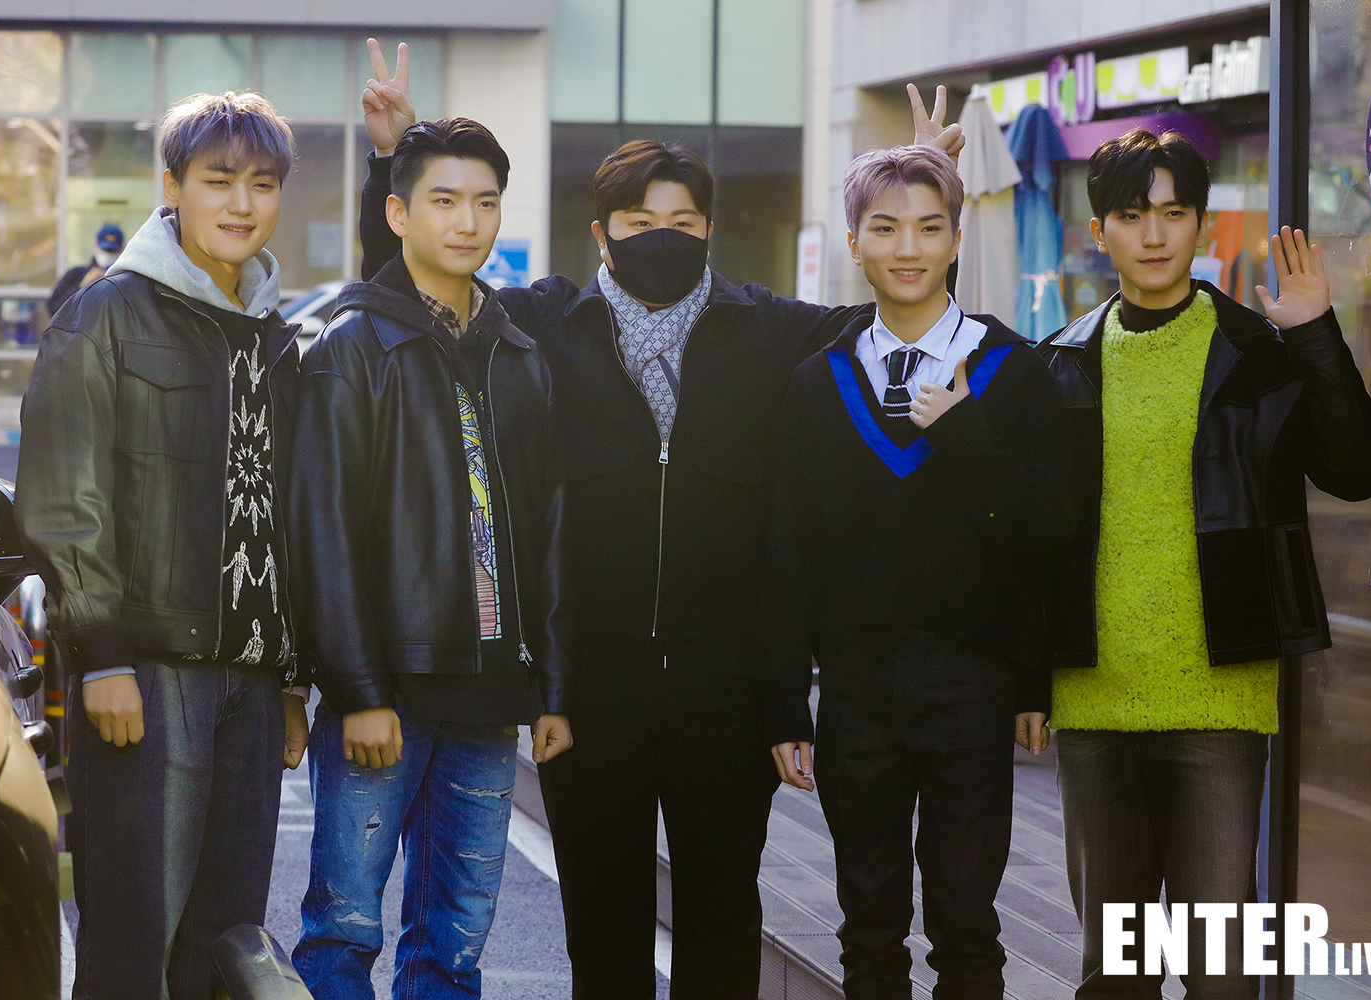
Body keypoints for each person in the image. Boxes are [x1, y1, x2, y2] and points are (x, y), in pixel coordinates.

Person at [355, 40, 964, 1000]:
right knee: (603, 927)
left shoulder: (770, 330)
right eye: (639, 222)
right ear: (601, 234)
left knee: (722, 918)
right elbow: (408, 294)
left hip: (729, 686)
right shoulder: (540, 324)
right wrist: (392, 164)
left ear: (711, 230)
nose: (661, 236)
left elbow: (906, 316)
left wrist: (923, 185)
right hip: (587, 687)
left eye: (682, 221)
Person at [1034, 129, 1371, 1000]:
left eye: (1173, 213)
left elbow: (1356, 471)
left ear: (1201, 224)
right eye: (1131, 215)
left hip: (1219, 701)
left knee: (1220, 972)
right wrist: (1025, 680)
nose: (1154, 234)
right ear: (1099, 232)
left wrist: (1316, 336)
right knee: (1117, 973)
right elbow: (1029, 534)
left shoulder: (1258, 351)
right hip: (1095, 700)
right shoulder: (1061, 361)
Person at [16, 91, 311, 1000]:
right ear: (173, 187)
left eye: (262, 184)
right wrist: (103, 655)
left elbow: (288, 516)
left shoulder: (277, 337)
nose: (241, 204)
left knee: (227, 946)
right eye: (219, 180)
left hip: (252, 685)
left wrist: (291, 678)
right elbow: (66, 494)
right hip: (147, 675)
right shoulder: (106, 314)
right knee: (133, 938)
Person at [763, 145, 1068, 1000]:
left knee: (967, 925)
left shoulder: (1013, 369)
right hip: (854, 686)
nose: (908, 248)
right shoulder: (817, 383)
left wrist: (1032, 681)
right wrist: (785, 700)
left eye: (930, 228)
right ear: (854, 243)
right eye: (886, 228)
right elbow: (787, 549)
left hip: (972, 681)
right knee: (867, 926)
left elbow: (1047, 535)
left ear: (956, 240)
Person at [287, 117, 572, 1000]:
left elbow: (549, 531)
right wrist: (359, 691)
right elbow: (322, 530)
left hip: (489, 700)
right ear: (398, 214)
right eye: (445, 201)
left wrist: (553, 688)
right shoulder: (354, 347)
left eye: (486, 202)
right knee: (343, 931)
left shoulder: (520, 355)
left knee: (454, 943)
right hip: (388, 694)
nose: (468, 221)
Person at [48, 223, 125, 317]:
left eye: (112, 251)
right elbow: (54, 308)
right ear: (95, 245)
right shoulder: (76, 274)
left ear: (122, 249)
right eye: (105, 250)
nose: (108, 255)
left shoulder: (124, 279)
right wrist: (82, 286)